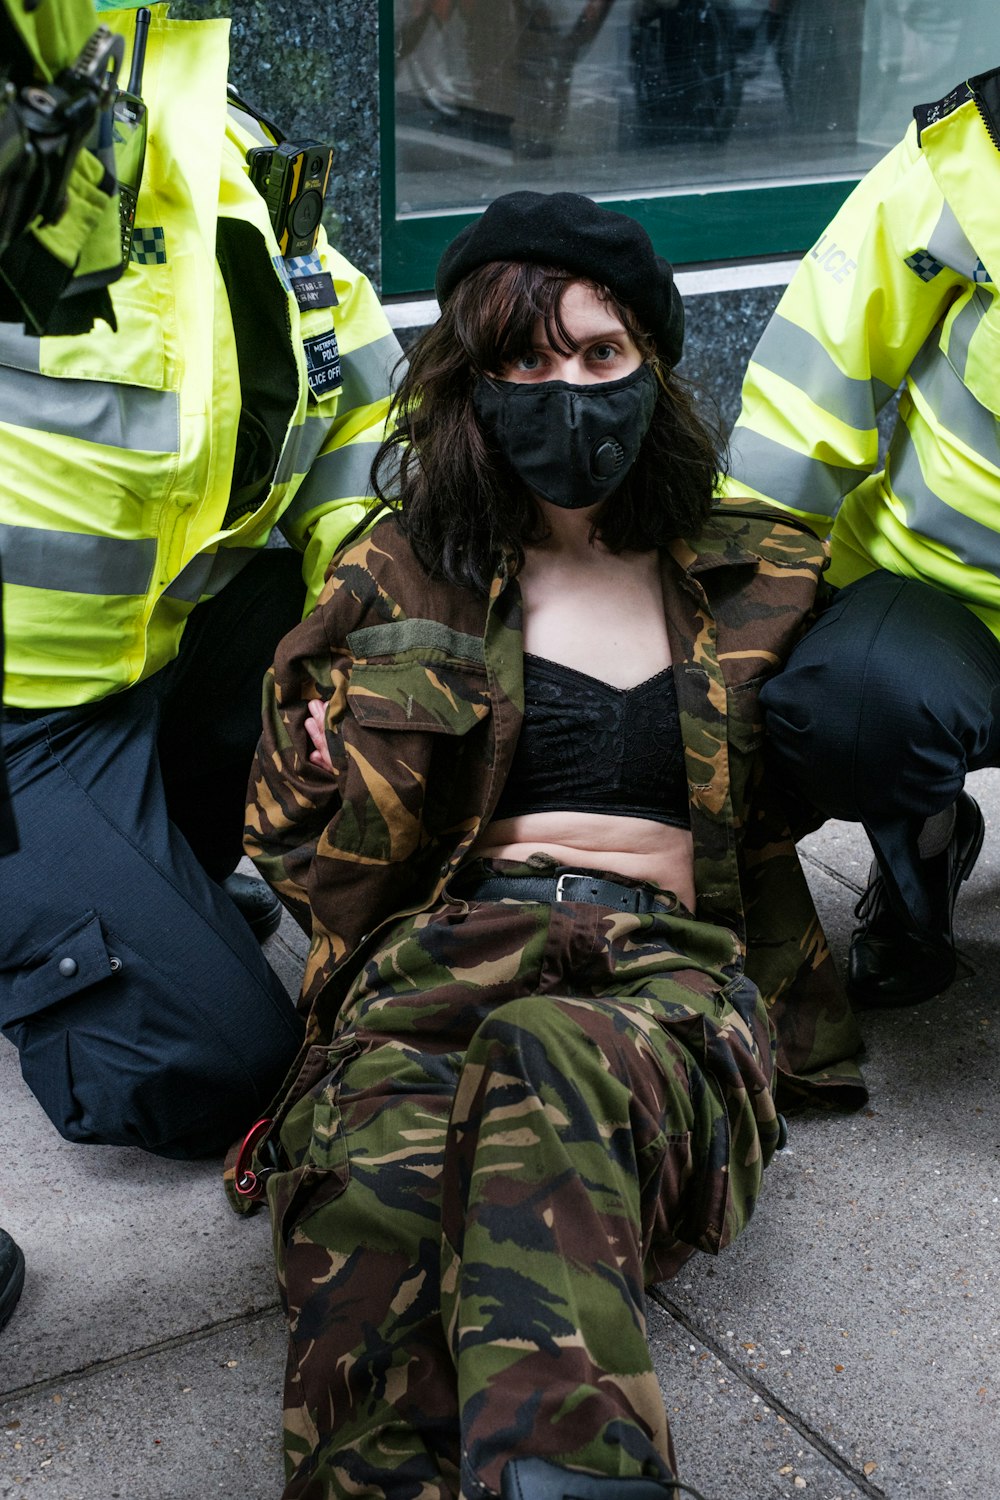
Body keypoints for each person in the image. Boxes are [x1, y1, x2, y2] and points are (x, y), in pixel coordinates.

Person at [242, 192, 866, 1500]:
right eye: (526, 360)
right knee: (385, 1176)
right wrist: (316, 761)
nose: (565, 388)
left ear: (652, 366)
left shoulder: (757, 569)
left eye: (598, 354)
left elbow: (868, 727)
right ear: (474, 381)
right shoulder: (400, 571)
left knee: (553, 1055)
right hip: (443, 962)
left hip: (665, 979)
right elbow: (295, 848)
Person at [0, 0, 402, 1159]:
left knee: (375, 632)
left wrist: (356, 634)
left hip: (146, 660)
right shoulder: (38, 94)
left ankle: (131, 878)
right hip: (20, 713)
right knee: (211, 1070)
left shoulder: (202, 119)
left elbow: (362, 403)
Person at [721, 65, 1000, 1009]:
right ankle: (922, 849)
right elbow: (812, 389)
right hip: (949, 592)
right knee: (849, 712)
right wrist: (736, 613)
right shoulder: (974, 157)